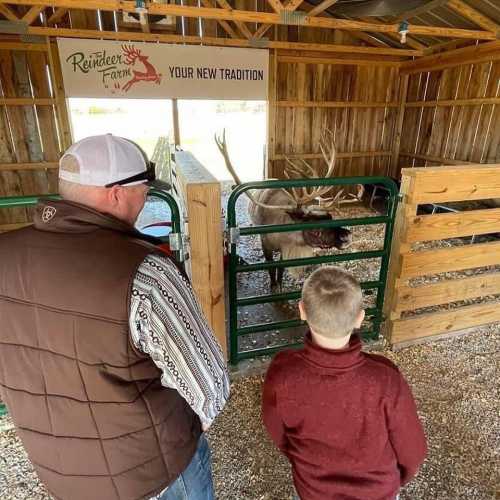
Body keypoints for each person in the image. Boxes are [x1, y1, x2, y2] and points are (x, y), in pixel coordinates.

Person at [0, 134, 230, 500]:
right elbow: (209, 386)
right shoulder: (145, 272)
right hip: (156, 475)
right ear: (117, 193)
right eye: (143, 189)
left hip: (62, 474)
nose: (146, 198)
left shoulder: (5, 254)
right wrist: (181, 432)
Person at [262, 266, 427, 500]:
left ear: (302, 311)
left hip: (313, 490)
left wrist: (300, 459)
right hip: (378, 492)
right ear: (360, 318)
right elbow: (412, 449)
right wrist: (395, 480)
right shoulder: (384, 378)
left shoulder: (282, 372)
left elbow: (276, 429)